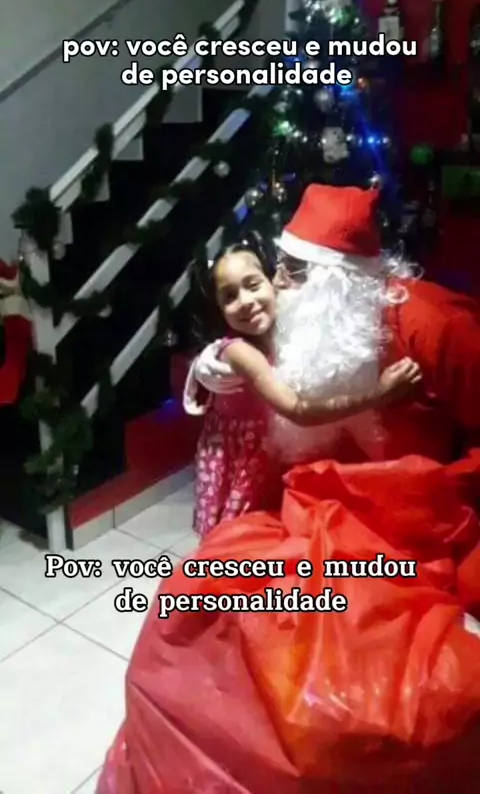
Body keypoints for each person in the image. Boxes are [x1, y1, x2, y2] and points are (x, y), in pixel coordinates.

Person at [97, 185, 480, 794]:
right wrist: (207, 368)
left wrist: (436, 497)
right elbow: (281, 393)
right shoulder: (309, 321)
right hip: (318, 506)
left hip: (409, 516)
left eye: (290, 271)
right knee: (199, 610)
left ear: (336, 278)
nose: (277, 284)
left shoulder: (435, 325)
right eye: (278, 267)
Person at [183, 230, 421, 537]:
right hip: (241, 460)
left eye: (253, 285)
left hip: (271, 451)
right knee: (238, 538)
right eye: (229, 297)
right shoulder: (239, 351)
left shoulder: (286, 314)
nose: (246, 301)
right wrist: (378, 394)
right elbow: (297, 410)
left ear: (272, 281)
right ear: (219, 310)